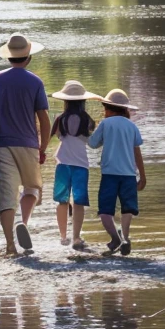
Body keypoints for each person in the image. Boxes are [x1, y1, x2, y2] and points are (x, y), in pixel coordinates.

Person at [0, 32, 50, 255]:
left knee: (6, 195)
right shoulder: (35, 82)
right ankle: (24, 223)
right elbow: (44, 121)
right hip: (29, 145)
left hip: (2, 146)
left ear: (8, 56)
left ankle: (10, 245)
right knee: (32, 188)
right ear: (28, 56)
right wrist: (42, 148)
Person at [88, 89, 146, 256]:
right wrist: (142, 176)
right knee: (128, 208)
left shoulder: (106, 124)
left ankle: (115, 238)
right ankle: (125, 237)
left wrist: (90, 129)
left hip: (109, 175)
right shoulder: (132, 126)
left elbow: (93, 144)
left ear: (109, 108)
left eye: (105, 108)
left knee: (105, 210)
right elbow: (137, 152)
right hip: (129, 175)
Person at [50, 80, 101, 250]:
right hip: (81, 165)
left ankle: (63, 237)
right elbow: (91, 142)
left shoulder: (60, 119)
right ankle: (76, 238)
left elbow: (57, 136)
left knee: (62, 201)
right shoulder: (87, 120)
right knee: (78, 202)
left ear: (65, 101)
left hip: (62, 163)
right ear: (82, 101)